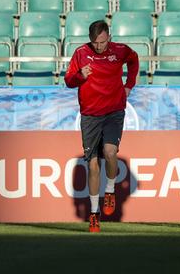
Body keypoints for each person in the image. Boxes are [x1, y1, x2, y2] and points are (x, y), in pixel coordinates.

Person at [64, 20, 139, 233]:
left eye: (103, 42)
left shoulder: (120, 50)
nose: (99, 47)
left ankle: (110, 190)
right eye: (95, 43)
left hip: (114, 111)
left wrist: (129, 85)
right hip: (90, 115)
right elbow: (68, 81)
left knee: (110, 152)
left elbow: (133, 61)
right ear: (90, 40)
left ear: (109, 37)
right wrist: (80, 76)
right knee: (93, 165)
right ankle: (94, 214)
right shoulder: (80, 53)